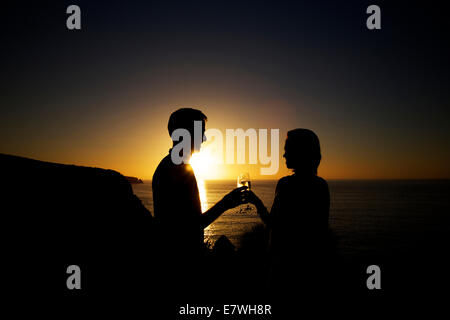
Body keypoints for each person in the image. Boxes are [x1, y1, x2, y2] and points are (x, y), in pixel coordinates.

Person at [152, 108, 248, 260]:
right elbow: (190, 226)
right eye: (200, 132)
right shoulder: (176, 170)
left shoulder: (174, 166)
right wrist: (226, 203)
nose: (204, 138)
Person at [246, 128, 332, 293]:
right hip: (312, 268)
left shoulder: (286, 184)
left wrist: (256, 202)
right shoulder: (321, 186)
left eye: (287, 150)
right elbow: (319, 231)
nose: (284, 155)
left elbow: (273, 224)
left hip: (283, 267)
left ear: (301, 152)